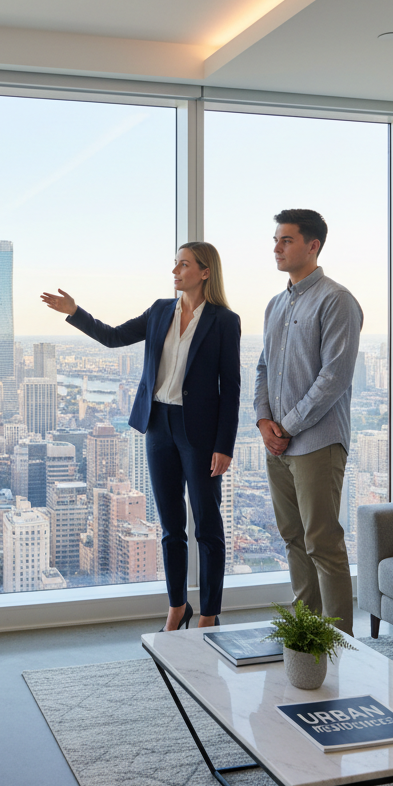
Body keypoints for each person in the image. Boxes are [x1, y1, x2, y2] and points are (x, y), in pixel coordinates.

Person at [41, 243, 240, 631]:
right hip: (158, 425)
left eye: (183, 265)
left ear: (204, 272)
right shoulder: (160, 310)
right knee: (170, 526)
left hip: (199, 433)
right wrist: (75, 313)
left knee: (207, 526)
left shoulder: (224, 321)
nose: (175, 271)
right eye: (175, 263)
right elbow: (114, 337)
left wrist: (224, 446)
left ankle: (210, 613)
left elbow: (230, 388)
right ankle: (177, 606)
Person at [254, 209, 362, 637]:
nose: (276, 248)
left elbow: (334, 377)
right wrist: (265, 421)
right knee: (293, 540)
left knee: (323, 543)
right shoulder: (275, 305)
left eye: (286, 240)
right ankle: (306, 634)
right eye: (276, 240)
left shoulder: (337, 300)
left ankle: (340, 643)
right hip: (277, 444)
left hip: (317, 442)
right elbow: (263, 367)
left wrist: (289, 427)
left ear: (312, 245)